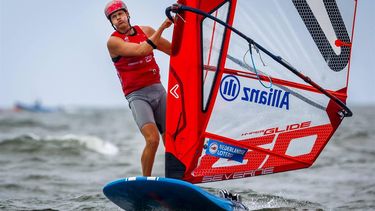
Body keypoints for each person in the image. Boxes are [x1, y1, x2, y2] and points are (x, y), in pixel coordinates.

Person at [104, 0, 172, 176]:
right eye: (114, 17)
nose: (118, 19)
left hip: (158, 90)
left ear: (127, 14)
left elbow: (174, 51)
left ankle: (179, 177)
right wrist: (163, 27)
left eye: (120, 14)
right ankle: (145, 181)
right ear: (111, 22)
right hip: (137, 96)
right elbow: (142, 50)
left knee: (172, 140)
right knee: (153, 139)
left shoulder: (147, 31)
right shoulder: (113, 42)